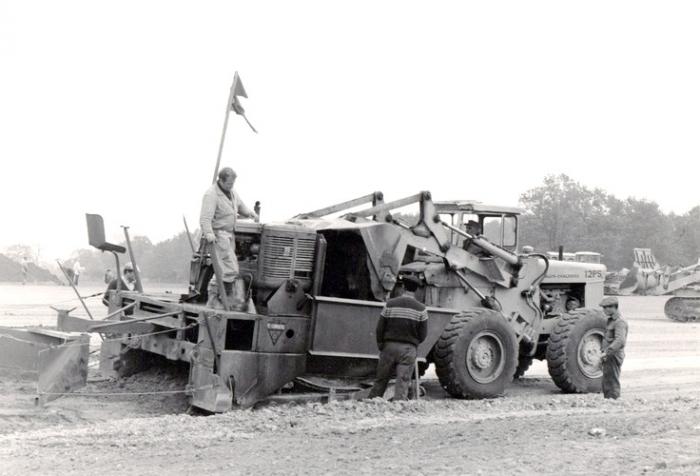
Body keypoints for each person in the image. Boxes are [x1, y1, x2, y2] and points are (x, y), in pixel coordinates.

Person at [199, 167, 258, 303]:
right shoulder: (211, 195)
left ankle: (219, 298)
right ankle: (216, 298)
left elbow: (241, 206)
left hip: (229, 235)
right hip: (218, 236)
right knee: (229, 269)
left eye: (232, 183)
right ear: (220, 180)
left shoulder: (232, 193)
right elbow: (205, 218)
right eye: (229, 183)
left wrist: (251, 213)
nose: (231, 186)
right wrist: (209, 233)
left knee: (226, 269)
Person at [368, 275, 428, 400]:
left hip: (388, 347)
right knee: (402, 382)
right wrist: (413, 344)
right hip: (408, 349)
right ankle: (398, 408)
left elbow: (380, 328)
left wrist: (381, 344)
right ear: (416, 290)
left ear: (403, 287)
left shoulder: (390, 304)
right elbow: (423, 335)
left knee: (380, 381)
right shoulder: (421, 309)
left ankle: (371, 405)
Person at [599, 296, 628, 399]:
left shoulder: (619, 322)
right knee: (607, 379)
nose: (604, 310)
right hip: (609, 355)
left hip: (613, 355)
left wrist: (607, 352)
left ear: (613, 307)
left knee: (612, 380)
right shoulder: (610, 321)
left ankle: (613, 401)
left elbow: (620, 341)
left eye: (606, 307)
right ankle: (609, 400)